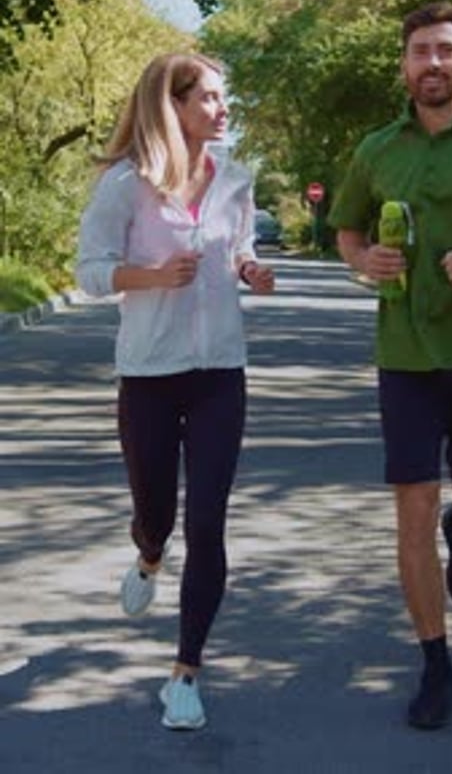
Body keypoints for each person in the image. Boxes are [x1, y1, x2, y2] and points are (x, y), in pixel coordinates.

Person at [76, 52, 274, 731]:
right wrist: (153, 276)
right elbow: (90, 273)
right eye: (212, 99)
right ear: (175, 105)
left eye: (224, 98)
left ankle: (185, 672)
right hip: (150, 376)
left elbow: (238, 247)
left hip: (222, 371)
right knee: (156, 513)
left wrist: (251, 268)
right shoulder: (126, 186)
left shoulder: (237, 180)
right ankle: (148, 553)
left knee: (209, 523)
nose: (224, 110)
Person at [329, 1, 452, 730]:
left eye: (445, 51)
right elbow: (345, 229)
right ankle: (435, 663)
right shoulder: (376, 150)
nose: (432, 63)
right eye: (419, 52)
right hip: (403, 356)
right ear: (404, 66)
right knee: (410, 508)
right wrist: (363, 259)